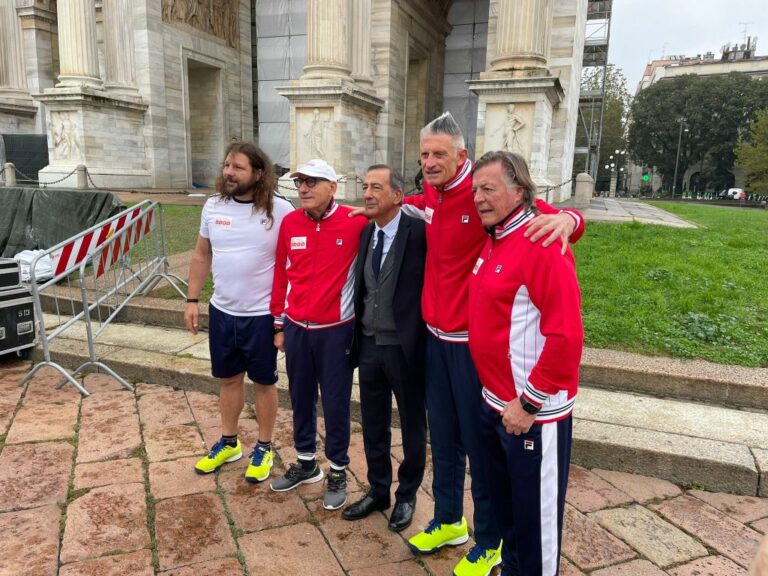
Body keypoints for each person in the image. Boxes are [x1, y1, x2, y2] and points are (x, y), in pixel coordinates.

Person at [398, 112, 584, 576]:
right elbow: (409, 201)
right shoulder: (440, 203)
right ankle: (448, 520)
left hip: (482, 356)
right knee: (444, 438)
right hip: (440, 343)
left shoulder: (503, 212)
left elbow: (546, 228)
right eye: (423, 155)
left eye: (439, 153)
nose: (429, 162)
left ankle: (489, 542)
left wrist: (570, 217)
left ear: (461, 155)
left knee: (486, 458)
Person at [469, 150, 583, 576]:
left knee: (536, 529)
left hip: (531, 415)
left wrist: (529, 404)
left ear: (519, 191)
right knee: (510, 517)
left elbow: (567, 338)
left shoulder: (541, 245)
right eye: (476, 189)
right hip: (496, 405)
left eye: (489, 188)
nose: (479, 197)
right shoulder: (496, 234)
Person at [185, 141, 293, 483]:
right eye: (227, 165)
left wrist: (285, 317)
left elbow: (294, 264)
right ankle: (229, 442)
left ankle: (263, 446)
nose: (228, 172)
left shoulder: (281, 210)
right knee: (229, 379)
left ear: (259, 173)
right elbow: (202, 255)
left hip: (262, 315)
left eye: (238, 167)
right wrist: (191, 301)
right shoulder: (213, 206)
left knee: (264, 382)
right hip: (222, 312)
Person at [269, 158, 368, 510]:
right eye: (299, 183)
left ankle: (338, 469)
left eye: (312, 182)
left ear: (332, 187)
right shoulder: (291, 222)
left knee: (337, 401)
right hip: (296, 329)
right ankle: (307, 461)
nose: (304, 189)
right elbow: (282, 274)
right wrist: (279, 324)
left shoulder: (355, 222)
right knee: (300, 396)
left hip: (336, 332)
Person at [342, 165, 427, 533]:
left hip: (405, 349)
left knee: (411, 424)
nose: (367, 194)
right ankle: (379, 490)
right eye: (364, 186)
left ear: (397, 195)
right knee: (374, 423)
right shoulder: (366, 234)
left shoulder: (420, 233)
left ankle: (407, 494)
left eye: (376, 187)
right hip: (370, 346)